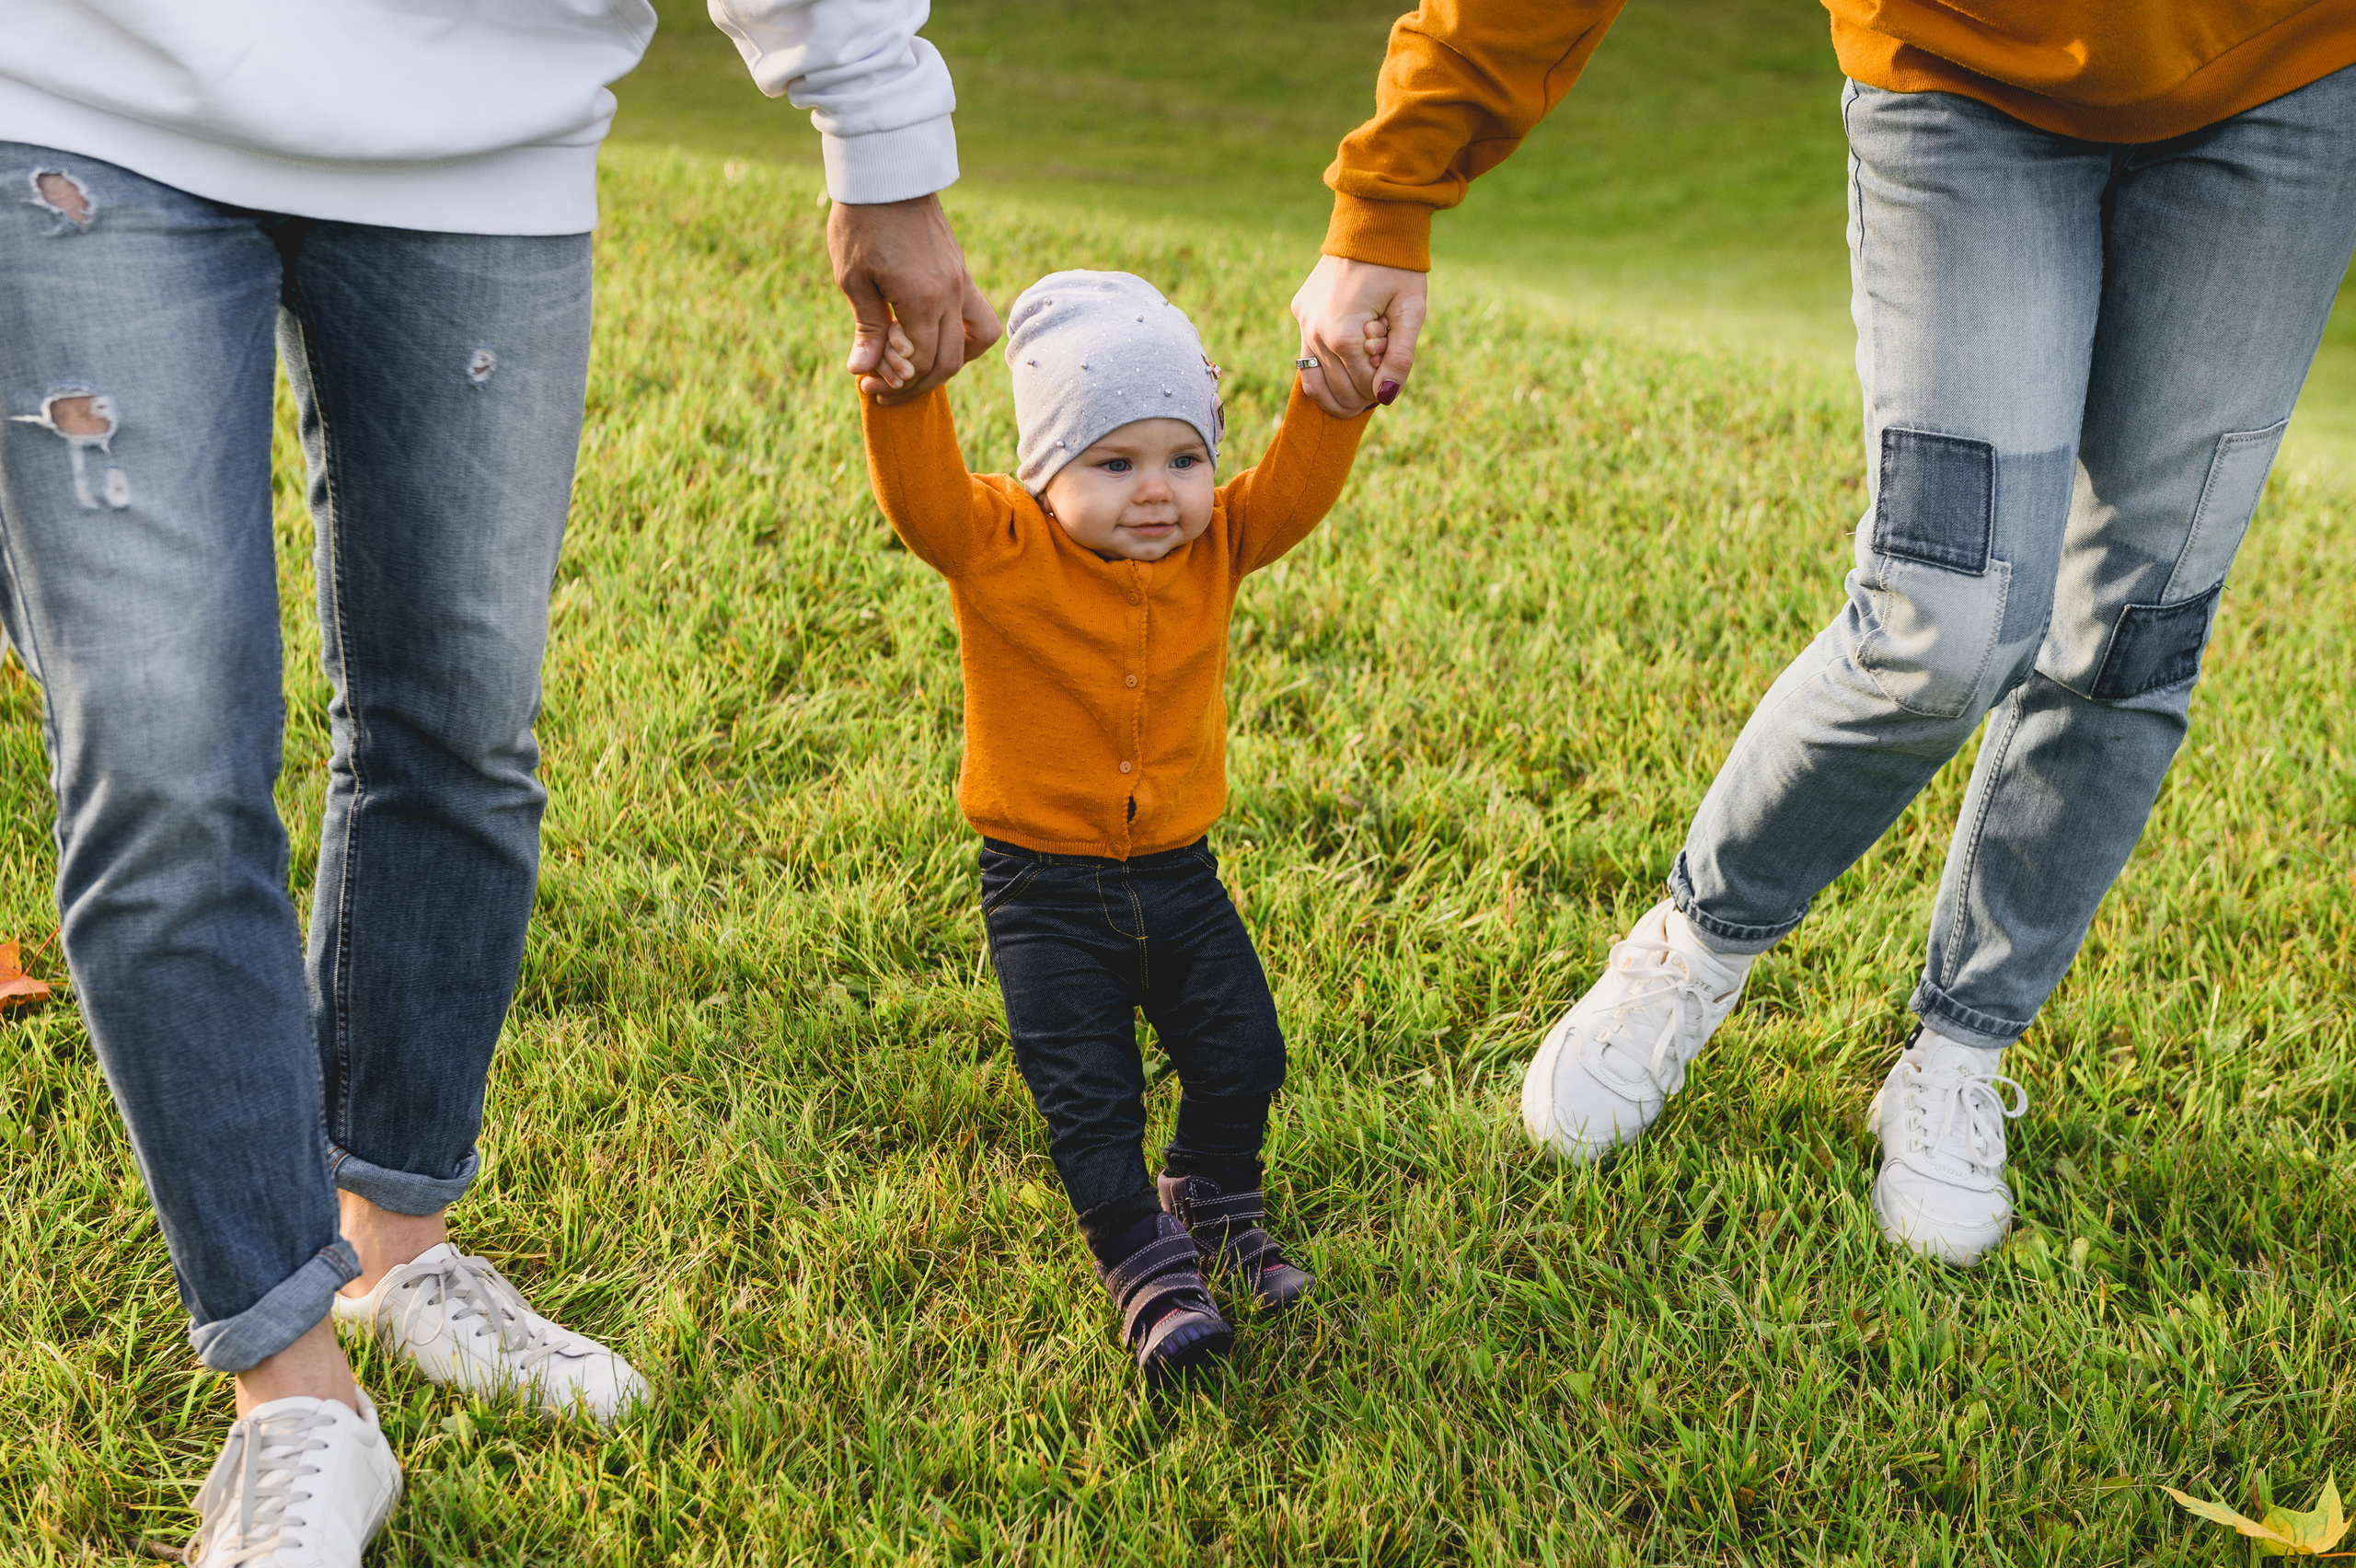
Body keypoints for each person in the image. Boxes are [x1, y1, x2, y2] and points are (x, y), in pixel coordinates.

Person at [0, 1, 995, 1561]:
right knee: (166, 762)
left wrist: (880, 134)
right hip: (76, 99)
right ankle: (294, 1393)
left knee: (459, 730)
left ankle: (394, 1245)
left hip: (484, 134)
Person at [1289, 2, 2356, 1265]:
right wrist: (1393, 186)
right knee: (1942, 623)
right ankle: (1695, 946)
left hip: (2286, 83)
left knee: (2136, 629)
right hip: (1959, 73)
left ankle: (1959, 1051)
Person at [858, 270, 1374, 1375]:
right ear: (1045, 471)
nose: (1157, 492)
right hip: (1041, 891)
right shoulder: (999, 542)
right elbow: (922, 502)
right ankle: (1139, 1255)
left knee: (1245, 1053)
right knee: (1091, 1100)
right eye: (1114, 462)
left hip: (1180, 877)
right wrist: (906, 397)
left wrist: (1327, 407)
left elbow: (1289, 494)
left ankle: (1213, 1198)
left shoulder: (1214, 545)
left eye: (1184, 459)